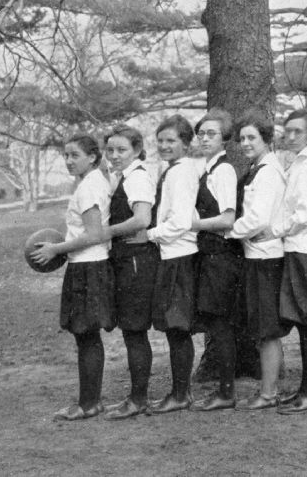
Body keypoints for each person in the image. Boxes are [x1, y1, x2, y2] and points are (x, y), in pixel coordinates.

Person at [31, 134, 114, 421]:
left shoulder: (90, 187)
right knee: (86, 336)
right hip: (85, 265)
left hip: (90, 267)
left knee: (86, 335)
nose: (68, 161)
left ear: (92, 157)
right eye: (65, 155)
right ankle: (92, 400)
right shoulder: (89, 183)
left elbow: (93, 234)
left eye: (74, 155)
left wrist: (56, 248)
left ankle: (89, 404)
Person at [260, 109, 307, 414]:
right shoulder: (300, 160)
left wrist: (275, 231)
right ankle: (306, 389)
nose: (289, 137)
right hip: (297, 247)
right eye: (286, 131)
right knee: (303, 322)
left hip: (306, 248)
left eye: (297, 132)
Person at [226, 110, 288, 411]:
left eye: (252, 137)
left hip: (266, 258)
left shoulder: (267, 172)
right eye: (242, 139)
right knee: (263, 328)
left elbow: (258, 219)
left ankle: (269, 392)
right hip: (256, 256)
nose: (246, 143)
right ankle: (268, 388)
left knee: (268, 329)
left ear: (267, 138)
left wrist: (228, 231)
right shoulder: (258, 168)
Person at [101, 125, 159, 419]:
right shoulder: (122, 177)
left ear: (136, 151)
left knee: (135, 331)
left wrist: (105, 232)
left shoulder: (137, 177)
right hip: (125, 259)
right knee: (130, 332)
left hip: (137, 261)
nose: (114, 155)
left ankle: (138, 399)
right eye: (109, 150)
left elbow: (142, 219)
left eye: (121, 150)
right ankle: (137, 396)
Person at [189, 109, 243, 411]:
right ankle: (224, 388)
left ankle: (226, 391)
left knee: (221, 325)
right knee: (215, 323)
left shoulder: (223, 171)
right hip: (207, 255)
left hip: (221, 256)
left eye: (211, 133)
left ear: (224, 138)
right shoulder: (206, 170)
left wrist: (192, 224)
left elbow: (227, 219)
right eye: (202, 133)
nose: (205, 138)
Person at [147, 115, 200, 414]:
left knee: (178, 327)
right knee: (173, 327)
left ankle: (181, 393)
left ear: (185, 143)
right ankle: (181, 391)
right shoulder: (172, 170)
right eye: (161, 140)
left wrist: (150, 234)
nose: (165, 146)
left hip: (179, 255)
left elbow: (180, 222)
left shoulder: (182, 172)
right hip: (170, 255)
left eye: (172, 141)